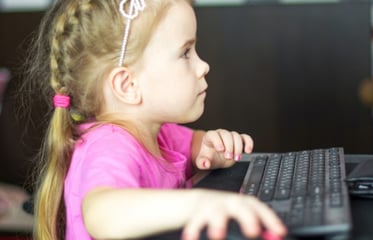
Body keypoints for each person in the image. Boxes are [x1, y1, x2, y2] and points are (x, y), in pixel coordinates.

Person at [26, 0, 288, 239]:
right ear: (128, 85)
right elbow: (104, 213)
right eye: (185, 53)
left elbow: (196, 146)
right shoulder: (108, 147)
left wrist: (213, 146)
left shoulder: (158, 133)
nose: (203, 66)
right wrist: (202, 202)